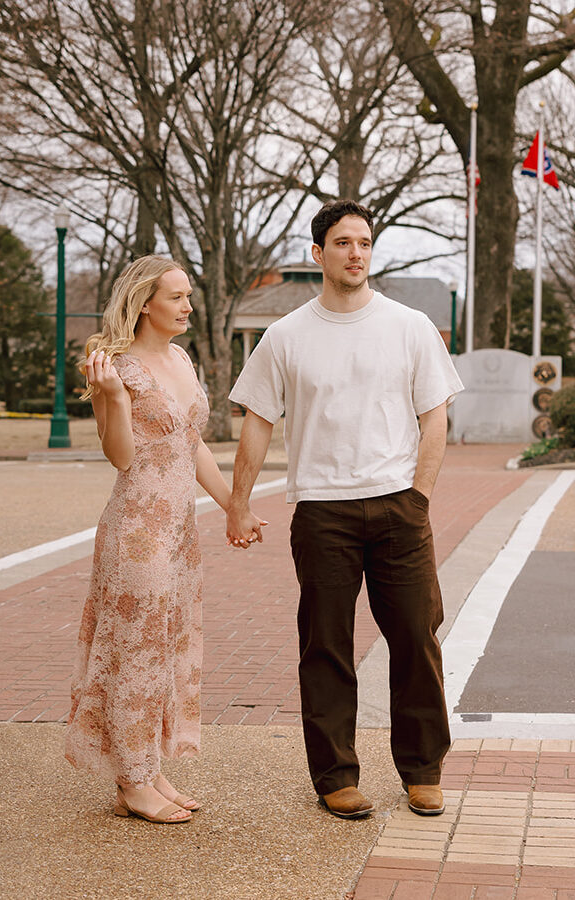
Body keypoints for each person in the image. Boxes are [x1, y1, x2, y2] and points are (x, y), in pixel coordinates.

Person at [226, 200, 464, 820]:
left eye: (363, 242)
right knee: (326, 645)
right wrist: (239, 502)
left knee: (416, 637)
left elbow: (434, 415)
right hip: (322, 510)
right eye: (341, 243)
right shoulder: (285, 336)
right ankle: (336, 775)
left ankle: (422, 769)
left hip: (398, 509)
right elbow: (256, 420)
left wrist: (419, 496)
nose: (355, 252)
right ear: (318, 254)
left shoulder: (409, 326)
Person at [65, 254, 264, 824]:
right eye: (176, 297)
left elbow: (192, 444)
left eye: (188, 296)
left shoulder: (180, 357)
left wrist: (234, 506)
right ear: (144, 301)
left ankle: (148, 767)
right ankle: (131, 782)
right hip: (136, 532)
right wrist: (116, 398)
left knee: (167, 646)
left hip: (179, 531)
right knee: (137, 651)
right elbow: (121, 456)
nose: (187, 306)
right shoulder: (114, 365)